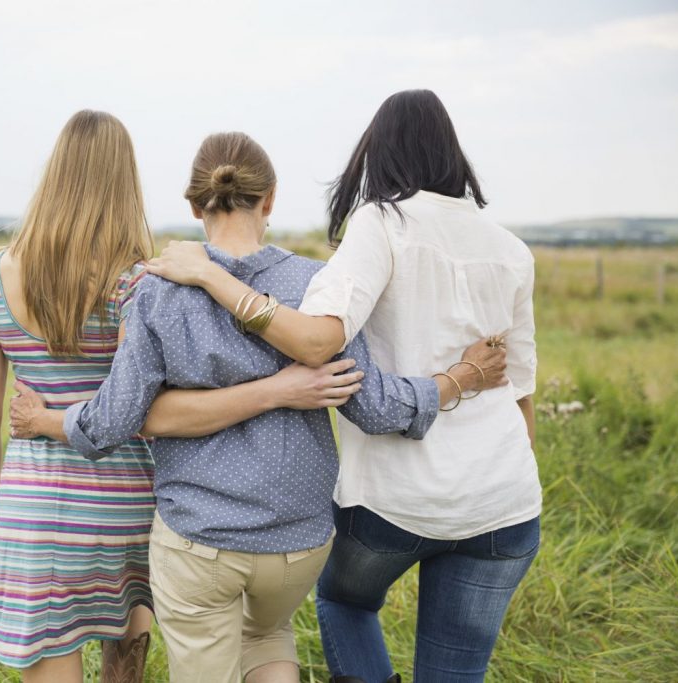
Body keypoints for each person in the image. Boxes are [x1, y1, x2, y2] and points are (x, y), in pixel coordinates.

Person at [9, 131, 508, 683]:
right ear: (269, 199)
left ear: (194, 205)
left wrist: (43, 420)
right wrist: (460, 379)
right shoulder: (316, 284)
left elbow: (114, 421)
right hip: (298, 544)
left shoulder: (157, 290)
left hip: (200, 540)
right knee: (267, 635)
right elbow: (376, 408)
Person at [146, 91, 540, 683]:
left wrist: (207, 273)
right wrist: (496, 461)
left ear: (376, 155)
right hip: (504, 501)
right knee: (456, 671)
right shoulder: (512, 249)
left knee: (344, 601)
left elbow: (315, 343)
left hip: (399, 498)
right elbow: (521, 388)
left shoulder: (382, 221)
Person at [0, 110, 159, 683]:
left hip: (38, 506)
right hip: (133, 499)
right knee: (129, 637)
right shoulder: (140, 279)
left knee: (52, 652)